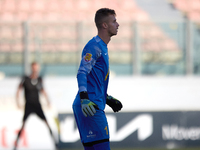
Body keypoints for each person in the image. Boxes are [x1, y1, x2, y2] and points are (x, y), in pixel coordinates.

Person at [72, 8, 123, 150]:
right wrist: (84, 98)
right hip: (90, 106)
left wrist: (107, 98)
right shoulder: (94, 46)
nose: (118, 24)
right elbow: (82, 72)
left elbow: (93, 81)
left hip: (89, 103)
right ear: (105, 25)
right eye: (114, 21)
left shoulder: (102, 47)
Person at [14, 62, 57, 150]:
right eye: (34, 67)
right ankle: (15, 145)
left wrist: (48, 101)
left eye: (37, 68)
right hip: (28, 105)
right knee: (23, 125)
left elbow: (43, 90)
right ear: (31, 68)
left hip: (37, 105)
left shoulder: (39, 79)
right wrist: (18, 102)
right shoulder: (26, 79)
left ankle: (56, 143)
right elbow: (18, 90)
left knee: (47, 123)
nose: (35, 69)